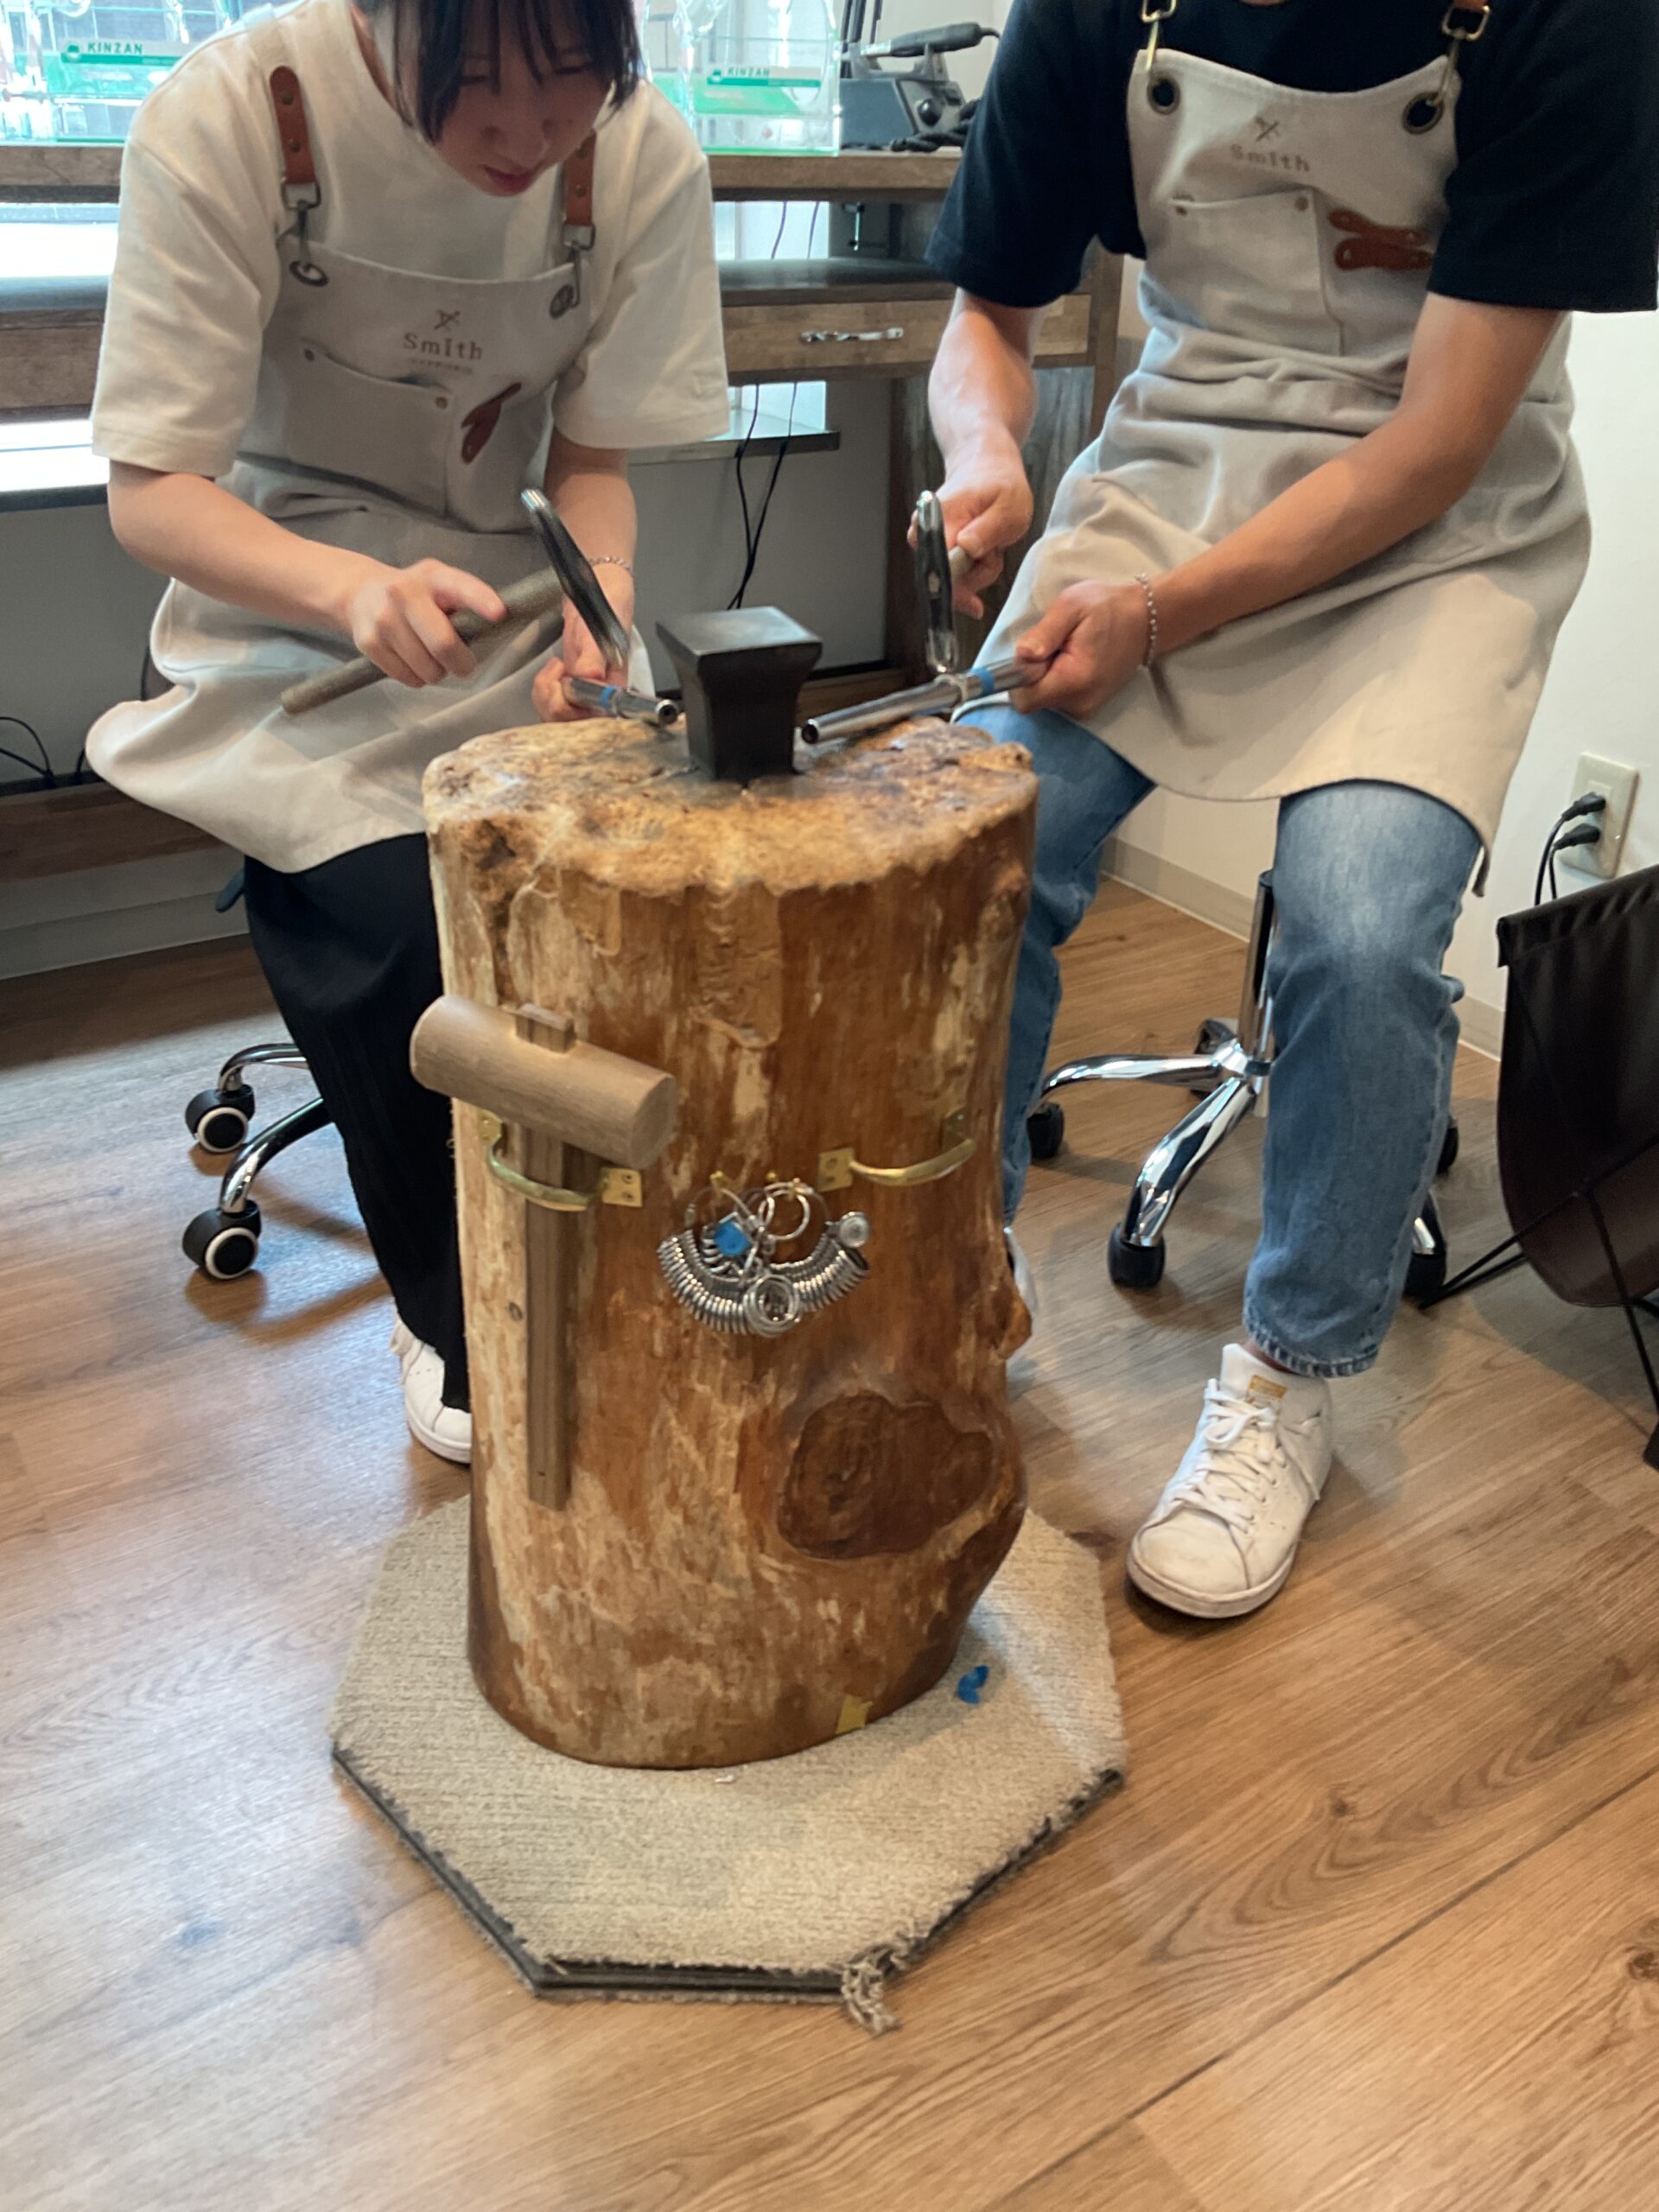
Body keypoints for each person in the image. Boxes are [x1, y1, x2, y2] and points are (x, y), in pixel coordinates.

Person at [925, 0, 1659, 1618]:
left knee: (1362, 932)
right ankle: (941, 1291)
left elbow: (1439, 443)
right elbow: (989, 310)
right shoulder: (1094, 13)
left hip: (1441, 518)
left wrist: (1157, 618)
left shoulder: (1570, 21)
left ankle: (1289, 1377)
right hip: (1176, 469)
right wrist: (985, 454)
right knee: (964, 855)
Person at [88, 0, 729, 1460]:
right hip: (283, 617)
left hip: (511, 611)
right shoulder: (238, 115)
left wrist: (600, 604)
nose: (529, 134)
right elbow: (154, 494)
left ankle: (633, 1270)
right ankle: (458, 1310)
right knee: (397, 918)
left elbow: (594, 464)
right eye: (483, 83)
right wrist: (349, 592)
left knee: (644, 895)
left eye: (572, 85)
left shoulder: (639, 156)